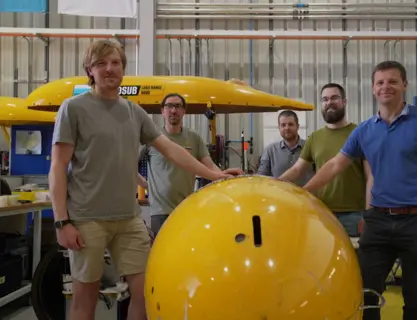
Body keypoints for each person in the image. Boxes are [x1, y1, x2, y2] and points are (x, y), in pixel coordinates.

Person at [49, 39, 231, 320]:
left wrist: (215, 174)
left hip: (129, 219)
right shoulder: (73, 108)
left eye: (115, 63)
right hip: (87, 219)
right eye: (101, 63)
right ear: (90, 70)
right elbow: (58, 166)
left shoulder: (135, 113)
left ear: (123, 69)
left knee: (147, 290)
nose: (109, 68)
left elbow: (171, 150)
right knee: (85, 298)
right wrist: (62, 221)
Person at [302, 61, 417, 320]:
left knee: (416, 298)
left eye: (393, 81)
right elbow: (335, 165)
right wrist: (303, 191)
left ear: (404, 85)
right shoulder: (365, 130)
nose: (386, 86)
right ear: (373, 89)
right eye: (380, 82)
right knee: (365, 294)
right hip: (379, 221)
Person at [137, 93, 243, 234]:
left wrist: (225, 178)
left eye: (177, 106)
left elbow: (210, 166)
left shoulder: (194, 138)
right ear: (162, 111)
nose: (173, 110)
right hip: (160, 210)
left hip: (186, 206)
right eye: (169, 106)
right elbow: (128, 165)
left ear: (184, 111)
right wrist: (146, 185)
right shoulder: (152, 138)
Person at [279, 83, 371, 237]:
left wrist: (369, 214)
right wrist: (274, 183)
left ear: (344, 101)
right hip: (322, 212)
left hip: (354, 215)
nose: (329, 102)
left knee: (355, 260)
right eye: (325, 99)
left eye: (334, 97)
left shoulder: (359, 133)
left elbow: (370, 177)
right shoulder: (315, 137)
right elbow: (297, 169)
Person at [258, 110, 314, 186]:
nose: (287, 128)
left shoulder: (310, 147)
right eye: (283, 125)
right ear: (279, 128)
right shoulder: (270, 150)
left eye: (290, 124)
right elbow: (261, 177)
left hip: (305, 196)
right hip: (279, 196)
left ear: (297, 126)